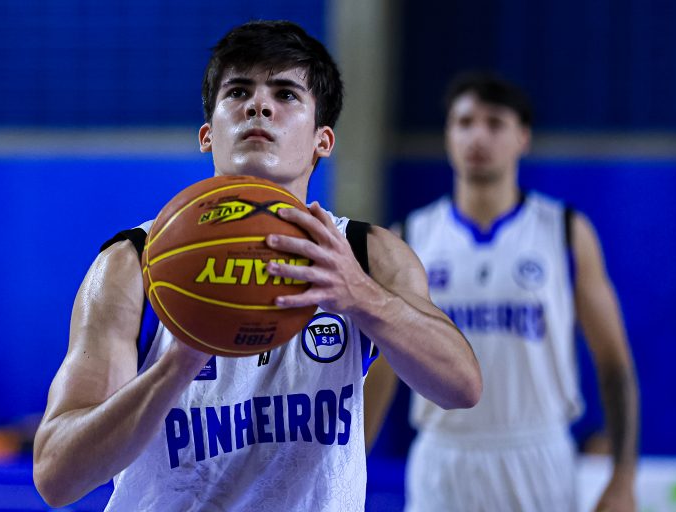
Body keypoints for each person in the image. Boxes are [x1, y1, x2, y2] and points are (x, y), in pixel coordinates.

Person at [31, 21, 482, 511]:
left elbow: (461, 387)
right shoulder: (132, 263)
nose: (258, 106)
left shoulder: (368, 254)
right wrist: (177, 366)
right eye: (238, 92)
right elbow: (57, 475)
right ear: (207, 134)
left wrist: (362, 297)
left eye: (285, 94)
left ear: (323, 140)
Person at [395, 71, 639, 511]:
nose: (477, 136)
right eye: (464, 123)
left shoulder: (565, 231)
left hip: (538, 456)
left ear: (522, 138)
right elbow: (378, 369)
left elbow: (614, 363)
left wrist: (623, 479)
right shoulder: (411, 236)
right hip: (443, 457)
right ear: (448, 135)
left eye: (495, 123)